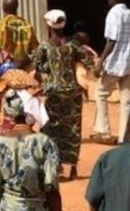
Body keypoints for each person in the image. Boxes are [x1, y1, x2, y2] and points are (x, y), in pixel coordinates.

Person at [31, 10, 91, 180]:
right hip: (72, 93)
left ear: (49, 26)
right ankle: (73, 168)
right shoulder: (72, 45)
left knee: (51, 129)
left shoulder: (44, 47)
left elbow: (37, 67)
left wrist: (44, 74)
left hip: (54, 94)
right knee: (73, 129)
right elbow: (88, 59)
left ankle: (55, 166)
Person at [95, 0, 130, 144]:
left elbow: (111, 41)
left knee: (100, 93)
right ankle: (124, 137)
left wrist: (100, 62)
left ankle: (104, 132)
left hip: (115, 62)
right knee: (127, 100)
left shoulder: (113, 13)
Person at [0, 0, 37, 65]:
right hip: (24, 64)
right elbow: (34, 47)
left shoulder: (1, 24)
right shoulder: (27, 24)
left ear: (3, 8)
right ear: (16, 7)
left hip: (8, 65)